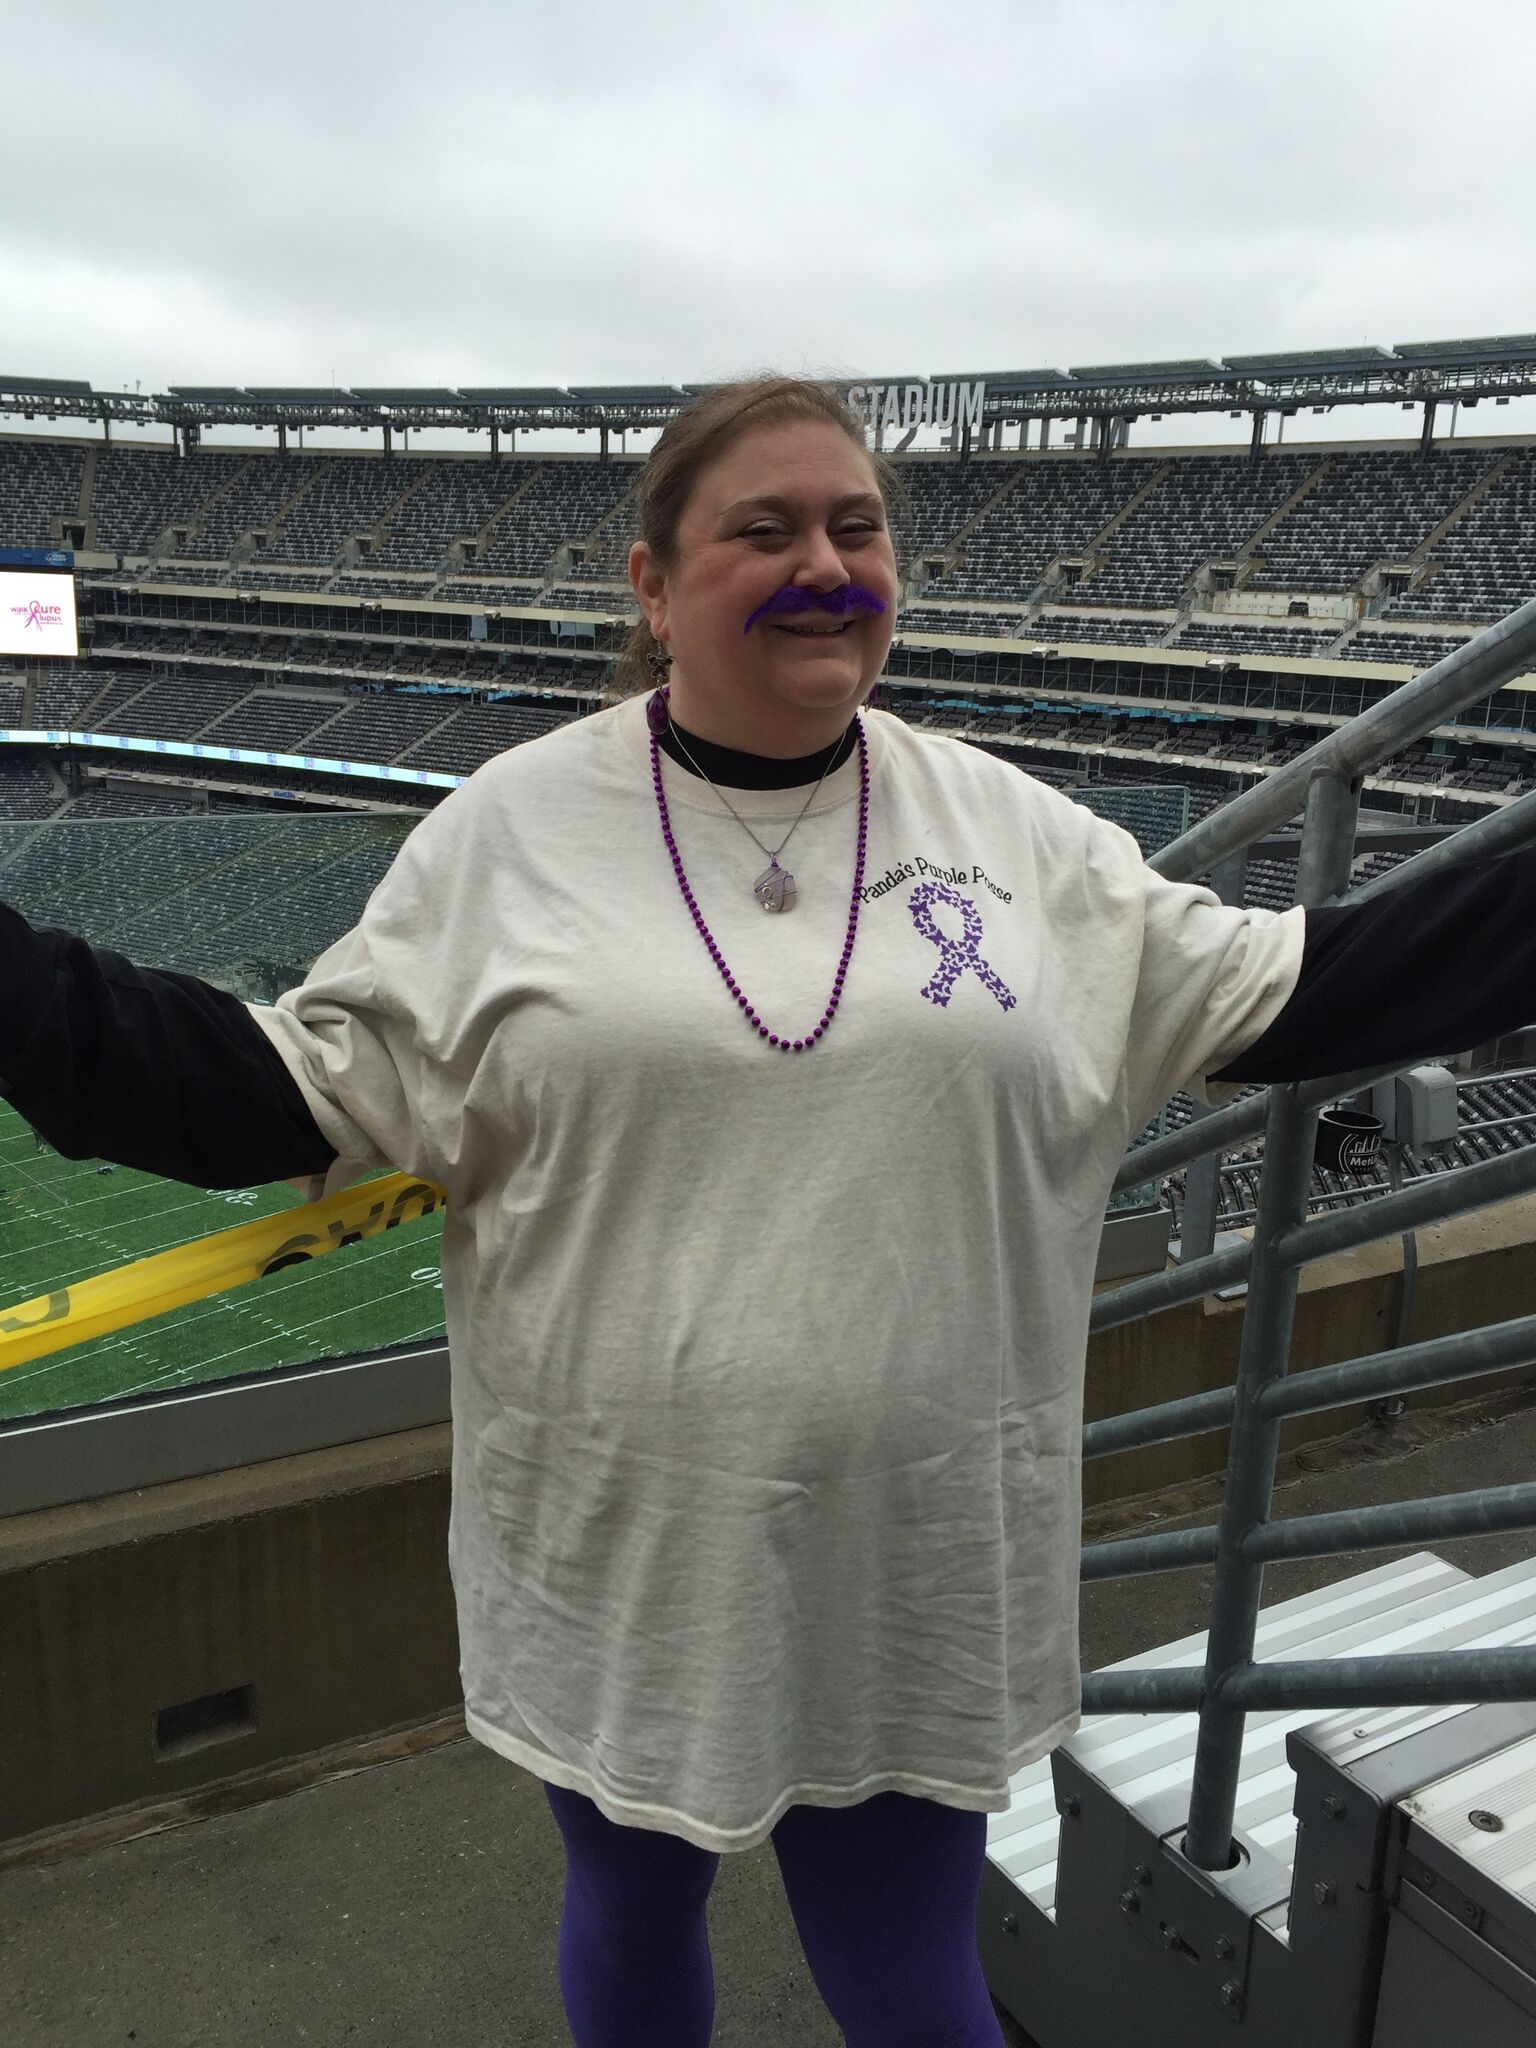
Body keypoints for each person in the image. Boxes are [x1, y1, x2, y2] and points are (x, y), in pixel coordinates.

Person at [3, 375, 1535, 2048]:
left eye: (857, 526)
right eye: (767, 529)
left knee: (911, 1981)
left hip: (916, 1548)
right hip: (625, 1553)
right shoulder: (506, 833)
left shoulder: (1012, 828)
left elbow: (1318, 987)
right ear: (654, 586)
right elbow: (248, 1093)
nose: (827, 562)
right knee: (634, 1912)